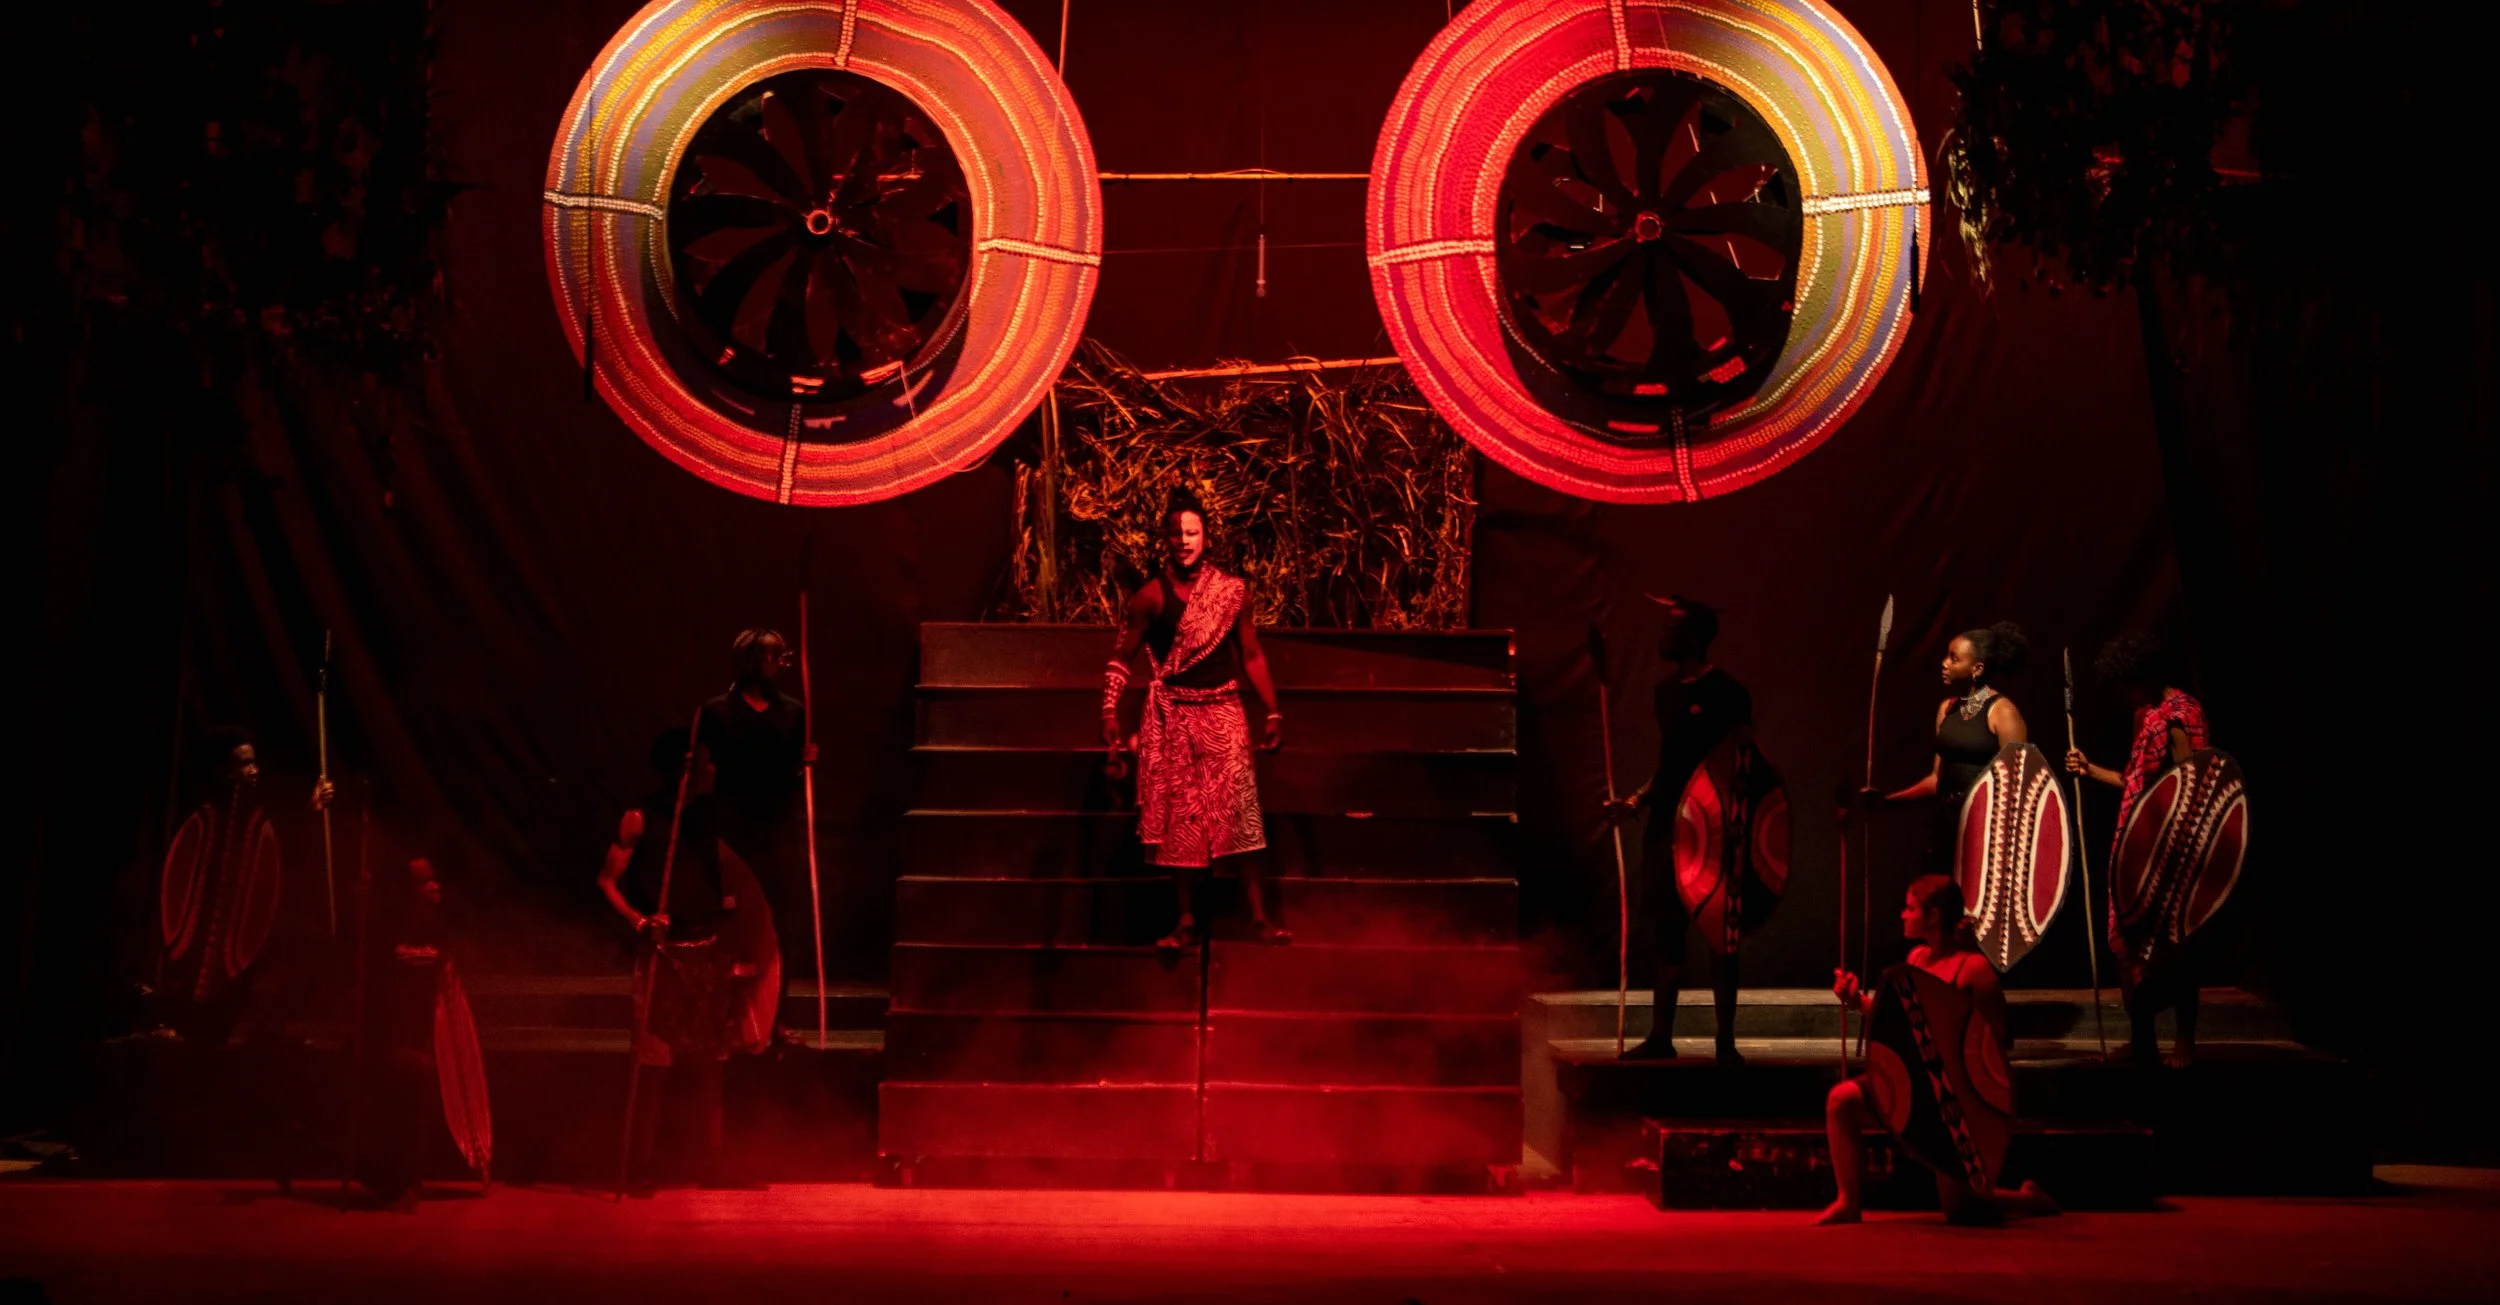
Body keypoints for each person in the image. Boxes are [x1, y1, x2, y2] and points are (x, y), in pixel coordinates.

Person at [1103, 496, 1288, 950]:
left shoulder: (1230, 592)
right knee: (1181, 821)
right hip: (1175, 718)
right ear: (1164, 540)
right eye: (1176, 534)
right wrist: (1108, 713)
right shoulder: (1148, 599)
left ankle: (1259, 918)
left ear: (1206, 538)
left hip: (1224, 711)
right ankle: (1185, 923)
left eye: (1192, 533)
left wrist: (1273, 710)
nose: (1184, 541)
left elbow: (1251, 654)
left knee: (1240, 814)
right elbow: (1120, 659)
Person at [1819, 875, 2057, 1226]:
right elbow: (1903, 1021)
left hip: (1951, 1100)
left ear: (1932, 916)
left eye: (1910, 907)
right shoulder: (1916, 959)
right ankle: (1848, 1202)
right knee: (1842, 1100)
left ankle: (2028, 1200)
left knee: (1962, 1211)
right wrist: (1857, 1001)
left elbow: (1998, 1042)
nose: (1902, 915)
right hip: (1913, 1084)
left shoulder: (1973, 970)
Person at [598, 729, 760, 1193]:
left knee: (711, 1062)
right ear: (681, 770)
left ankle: (710, 1162)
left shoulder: (713, 815)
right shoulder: (639, 818)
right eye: (703, 763)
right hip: (662, 952)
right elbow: (607, 881)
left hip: (708, 947)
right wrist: (640, 921)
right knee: (654, 1062)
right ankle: (642, 1164)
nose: (713, 770)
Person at [1602, 596, 1752, 1063]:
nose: (1663, 637)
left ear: (1695, 637)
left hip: (1714, 827)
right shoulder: (1664, 694)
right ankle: (1661, 1035)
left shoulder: (1730, 693)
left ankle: (1724, 1041)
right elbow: (1671, 763)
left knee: (1718, 933)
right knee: (1667, 929)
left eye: (1672, 629)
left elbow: (1740, 762)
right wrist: (1639, 798)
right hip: (1667, 826)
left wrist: (1728, 822)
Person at [2065, 633, 2211, 1067]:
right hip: (2135, 845)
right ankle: (2143, 1039)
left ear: (2144, 677)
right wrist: (2090, 770)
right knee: (2129, 946)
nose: (2123, 695)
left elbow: (2188, 787)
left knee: (2175, 947)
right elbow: (2135, 783)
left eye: (2127, 685)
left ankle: (2185, 1041)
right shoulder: (2145, 716)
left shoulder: (2181, 717)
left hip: (2172, 849)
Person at [698, 630, 815, 1003]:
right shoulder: (716, 712)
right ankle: (725, 1017)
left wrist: (806, 763)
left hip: (777, 832)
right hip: (733, 831)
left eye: (780, 656)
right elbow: (703, 769)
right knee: (730, 923)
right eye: (769, 656)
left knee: (780, 924)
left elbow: (794, 772)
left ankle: (774, 1019)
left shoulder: (793, 712)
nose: (778, 663)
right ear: (750, 659)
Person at [1863, 622, 2032, 877]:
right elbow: (1936, 780)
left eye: (1954, 658)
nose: (1944, 663)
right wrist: (1888, 801)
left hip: (1986, 831)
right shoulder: (1947, 709)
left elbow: (2018, 788)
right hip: (1947, 826)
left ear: (1977, 669)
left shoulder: (2003, 712)